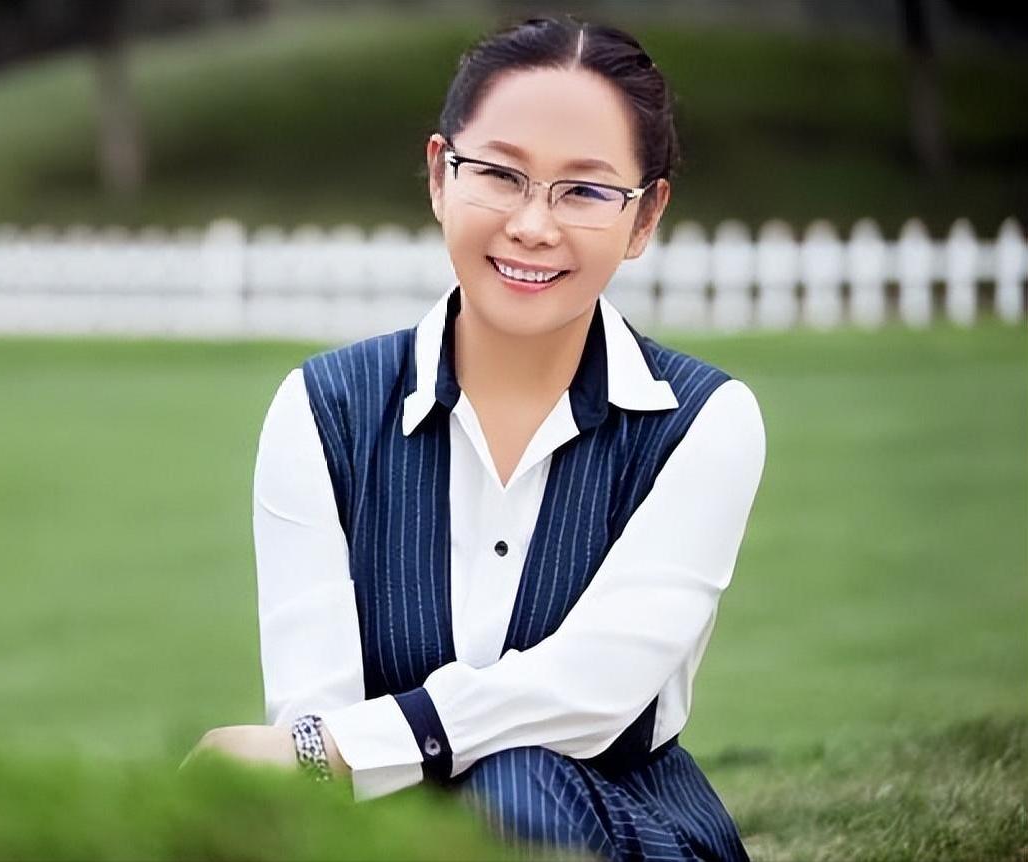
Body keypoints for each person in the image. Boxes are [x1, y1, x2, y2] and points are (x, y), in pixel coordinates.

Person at [185, 15, 765, 862]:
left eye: (585, 190)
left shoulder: (703, 421)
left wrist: (339, 755)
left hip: (619, 827)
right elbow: (312, 707)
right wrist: (318, 763)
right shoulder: (323, 409)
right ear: (438, 176)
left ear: (644, 219)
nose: (533, 225)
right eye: (499, 174)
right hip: (391, 834)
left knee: (512, 788)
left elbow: (595, 688)